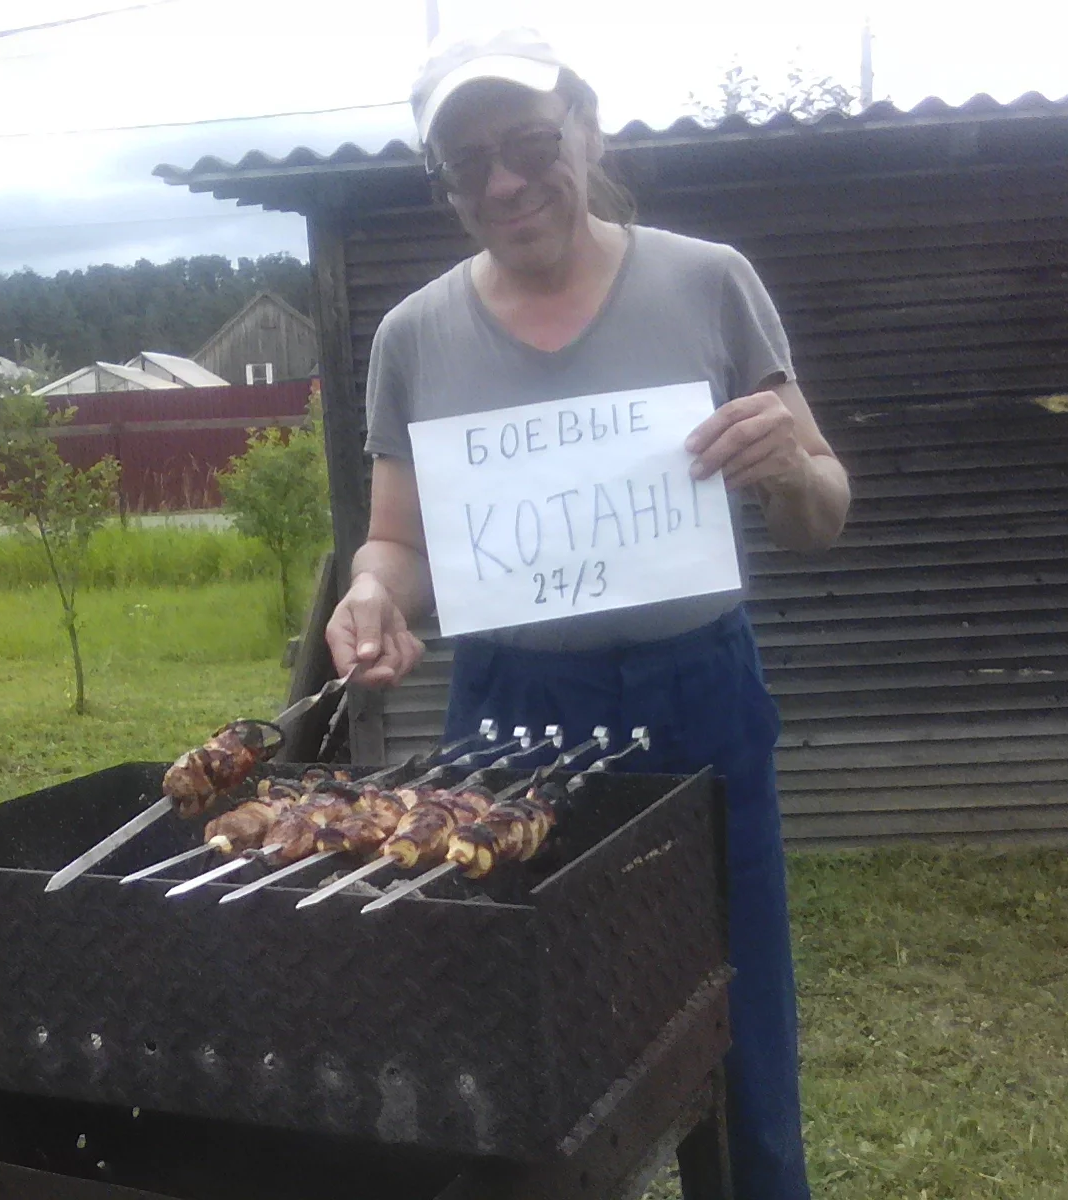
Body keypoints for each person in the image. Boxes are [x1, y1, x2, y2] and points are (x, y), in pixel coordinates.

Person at [324, 29, 850, 1200]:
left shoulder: (707, 281)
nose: (506, 182)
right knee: (515, 1021)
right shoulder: (413, 334)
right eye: (468, 163)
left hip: (697, 692)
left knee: (735, 1007)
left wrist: (787, 469)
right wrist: (370, 592)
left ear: (587, 131)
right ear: (444, 185)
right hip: (510, 711)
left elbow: (823, 512)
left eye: (528, 143)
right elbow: (398, 542)